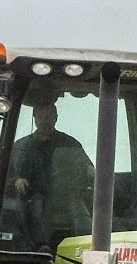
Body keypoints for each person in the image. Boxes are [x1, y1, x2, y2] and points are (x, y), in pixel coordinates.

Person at [9, 102, 94, 251]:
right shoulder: (21, 147)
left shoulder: (70, 144)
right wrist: (16, 180)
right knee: (37, 206)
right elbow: (8, 174)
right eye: (40, 117)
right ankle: (41, 247)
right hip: (33, 194)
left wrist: (91, 171)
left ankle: (86, 247)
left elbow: (87, 168)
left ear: (56, 118)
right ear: (34, 118)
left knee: (81, 210)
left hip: (66, 194)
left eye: (48, 117)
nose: (44, 121)